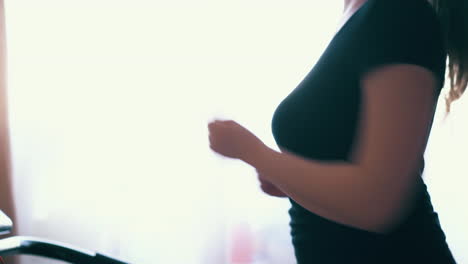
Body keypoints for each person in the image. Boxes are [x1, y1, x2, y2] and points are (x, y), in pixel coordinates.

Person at [207, 0, 467, 263]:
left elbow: (378, 200)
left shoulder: (399, 13)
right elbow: (353, 156)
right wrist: (290, 179)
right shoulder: (360, 13)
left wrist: (251, 151)